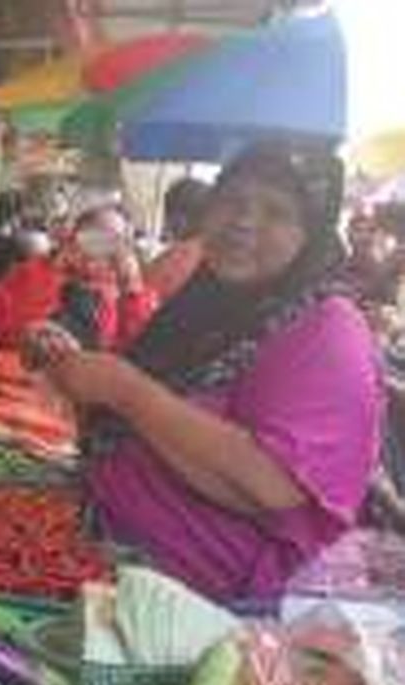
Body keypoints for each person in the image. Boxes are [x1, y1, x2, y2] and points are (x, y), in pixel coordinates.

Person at [30, 143, 382, 602]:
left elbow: (271, 482)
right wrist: (76, 370)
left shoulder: (330, 328)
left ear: (311, 233)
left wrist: (124, 390)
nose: (244, 221)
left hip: (205, 603)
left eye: (276, 212)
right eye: (232, 201)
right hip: (99, 552)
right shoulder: (205, 302)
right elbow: (138, 425)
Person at [0, 204, 157, 351]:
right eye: (95, 236)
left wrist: (132, 287)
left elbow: (141, 353)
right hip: (20, 382)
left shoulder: (129, 295)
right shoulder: (35, 272)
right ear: (74, 237)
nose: (101, 248)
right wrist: (53, 271)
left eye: (115, 242)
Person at [145, 177, 212, 300]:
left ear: (181, 218)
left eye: (168, 212)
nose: (166, 222)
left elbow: (144, 295)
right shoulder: (222, 257)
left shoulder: (176, 260)